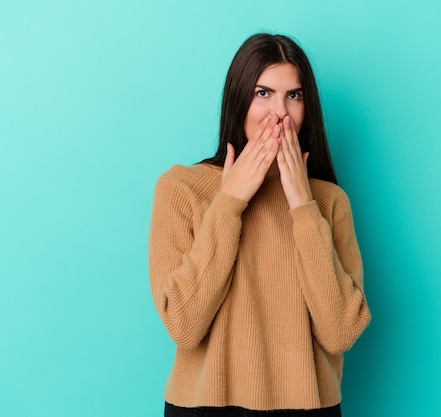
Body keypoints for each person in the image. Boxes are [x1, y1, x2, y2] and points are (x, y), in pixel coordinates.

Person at [148, 33, 370, 417]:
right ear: (238, 99)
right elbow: (183, 325)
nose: (279, 113)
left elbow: (340, 332)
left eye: (294, 95)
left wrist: (303, 205)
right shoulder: (181, 189)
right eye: (262, 93)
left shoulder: (330, 202)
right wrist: (230, 201)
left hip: (307, 407)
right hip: (204, 407)